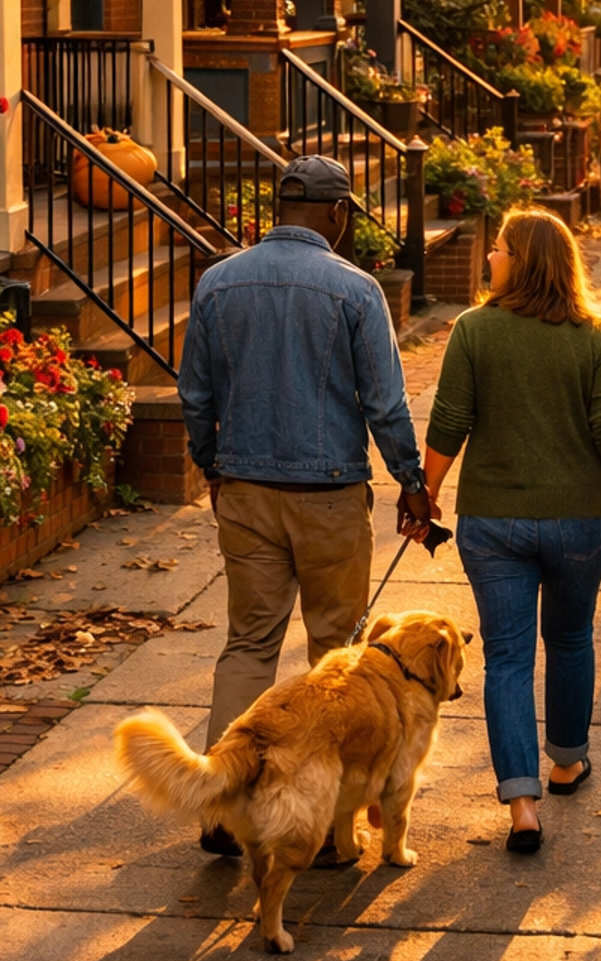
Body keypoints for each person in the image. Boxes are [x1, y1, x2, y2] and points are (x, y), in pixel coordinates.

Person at [178, 155, 433, 859]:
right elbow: (383, 401)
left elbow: (195, 393)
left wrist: (212, 465)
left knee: (249, 646)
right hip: (328, 496)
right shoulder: (355, 290)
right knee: (336, 656)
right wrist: (411, 482)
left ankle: (222, 809)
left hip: (247, 491)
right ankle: (328, 823)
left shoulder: (217, 282)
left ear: (279, 207)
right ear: (338, 214)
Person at [421, 208, 601, 855]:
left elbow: (449, 423)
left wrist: (426, 495)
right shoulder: (592, 337)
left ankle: (522, 803)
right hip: (578, 519)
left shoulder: (475, 331)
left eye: (498, 249)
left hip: (493, 523)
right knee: (572, 638)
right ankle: (567, 762)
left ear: (521, 261)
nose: (489, 257)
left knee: (509, 658)